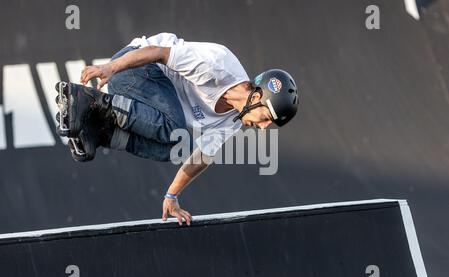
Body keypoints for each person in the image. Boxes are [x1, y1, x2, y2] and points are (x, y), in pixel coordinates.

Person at [55, 32, 299, 226]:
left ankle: (103, 133)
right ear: (255, 96)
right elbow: (157, 53)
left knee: (181, 148)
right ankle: (94, 102)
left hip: (144, 94)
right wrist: (111, 68)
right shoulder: (217, 67)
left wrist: (171, 196)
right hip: (134, 68)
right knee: (174, 126)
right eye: (267, 117)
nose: (265, 128)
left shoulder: (234, 119)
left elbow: (202, 156)